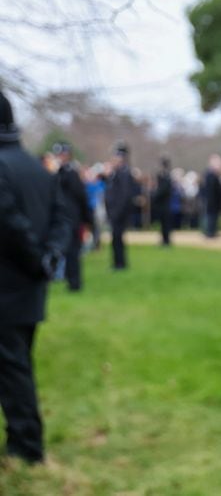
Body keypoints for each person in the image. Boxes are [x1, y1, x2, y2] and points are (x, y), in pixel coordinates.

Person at [0, 90, 70, 464]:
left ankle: (27, 446)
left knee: (13, 370)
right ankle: (20, 437)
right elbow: (61, 217)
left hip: (9, 287)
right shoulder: (33, 166)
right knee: (18, 364)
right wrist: (49, 257)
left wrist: (37, 259)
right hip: (30, 286)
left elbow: (10, 225)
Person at [52, 142, 93, 291]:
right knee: (67, 251)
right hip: (64, 218)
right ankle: (69, 279)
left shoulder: (71, 173)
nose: (59, 157)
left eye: (61, 154)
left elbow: (81, 196)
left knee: (73, 252)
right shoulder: (60, 172)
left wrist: (87, 219)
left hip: (72, 218)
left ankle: (74, 282)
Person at [104, 143, 133, 270]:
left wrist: (117, 211)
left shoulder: (124, 173)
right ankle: (117, 262)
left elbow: (124, 195)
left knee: (117, 238)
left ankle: (120, 264)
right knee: (115, 239)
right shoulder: (116, 173)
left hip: (118, 212)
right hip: (114, 211)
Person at [151, 156, 173, 247]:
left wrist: (154, 196)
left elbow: (163, 190)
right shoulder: (162, 175)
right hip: (162, 204)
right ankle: (164, 240)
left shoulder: (166, 176)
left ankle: (166, 240)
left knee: (165, 223)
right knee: (163, 223)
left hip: (165, 203)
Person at [202, 154, 221, 238]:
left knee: (214, 216)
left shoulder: (216, 175)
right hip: (211, 201)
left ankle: (213, 231)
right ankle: (209, 232)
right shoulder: (210, 174)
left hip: (215, 201)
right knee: (210, 216)